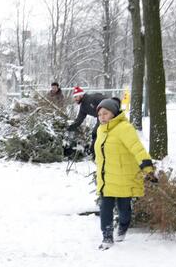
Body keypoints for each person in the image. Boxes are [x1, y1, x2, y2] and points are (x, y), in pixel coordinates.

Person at [94, 97, 157, 250]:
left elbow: (137, 148)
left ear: (114, 114)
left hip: (124, 176)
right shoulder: (101, 129)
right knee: (105, 208)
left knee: (124, 209)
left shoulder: (124, 128)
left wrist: (148, 168)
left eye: (105, 114)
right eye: (100, 114)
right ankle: (107, 237)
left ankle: (123, 227)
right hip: (107, 177)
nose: (102, 117)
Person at [66, 86, 105, 154]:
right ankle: (95, 152)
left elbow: (107, 100)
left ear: (81, 95)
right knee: (95, 133)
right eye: (74, 97)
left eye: (76, 97)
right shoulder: (83, 107)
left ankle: (96, 152)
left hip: (108, 117)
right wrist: (69, 127)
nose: (75, 99)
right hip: (101, 119)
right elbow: (79, 120)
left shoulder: (92, 98)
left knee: (96, 133)